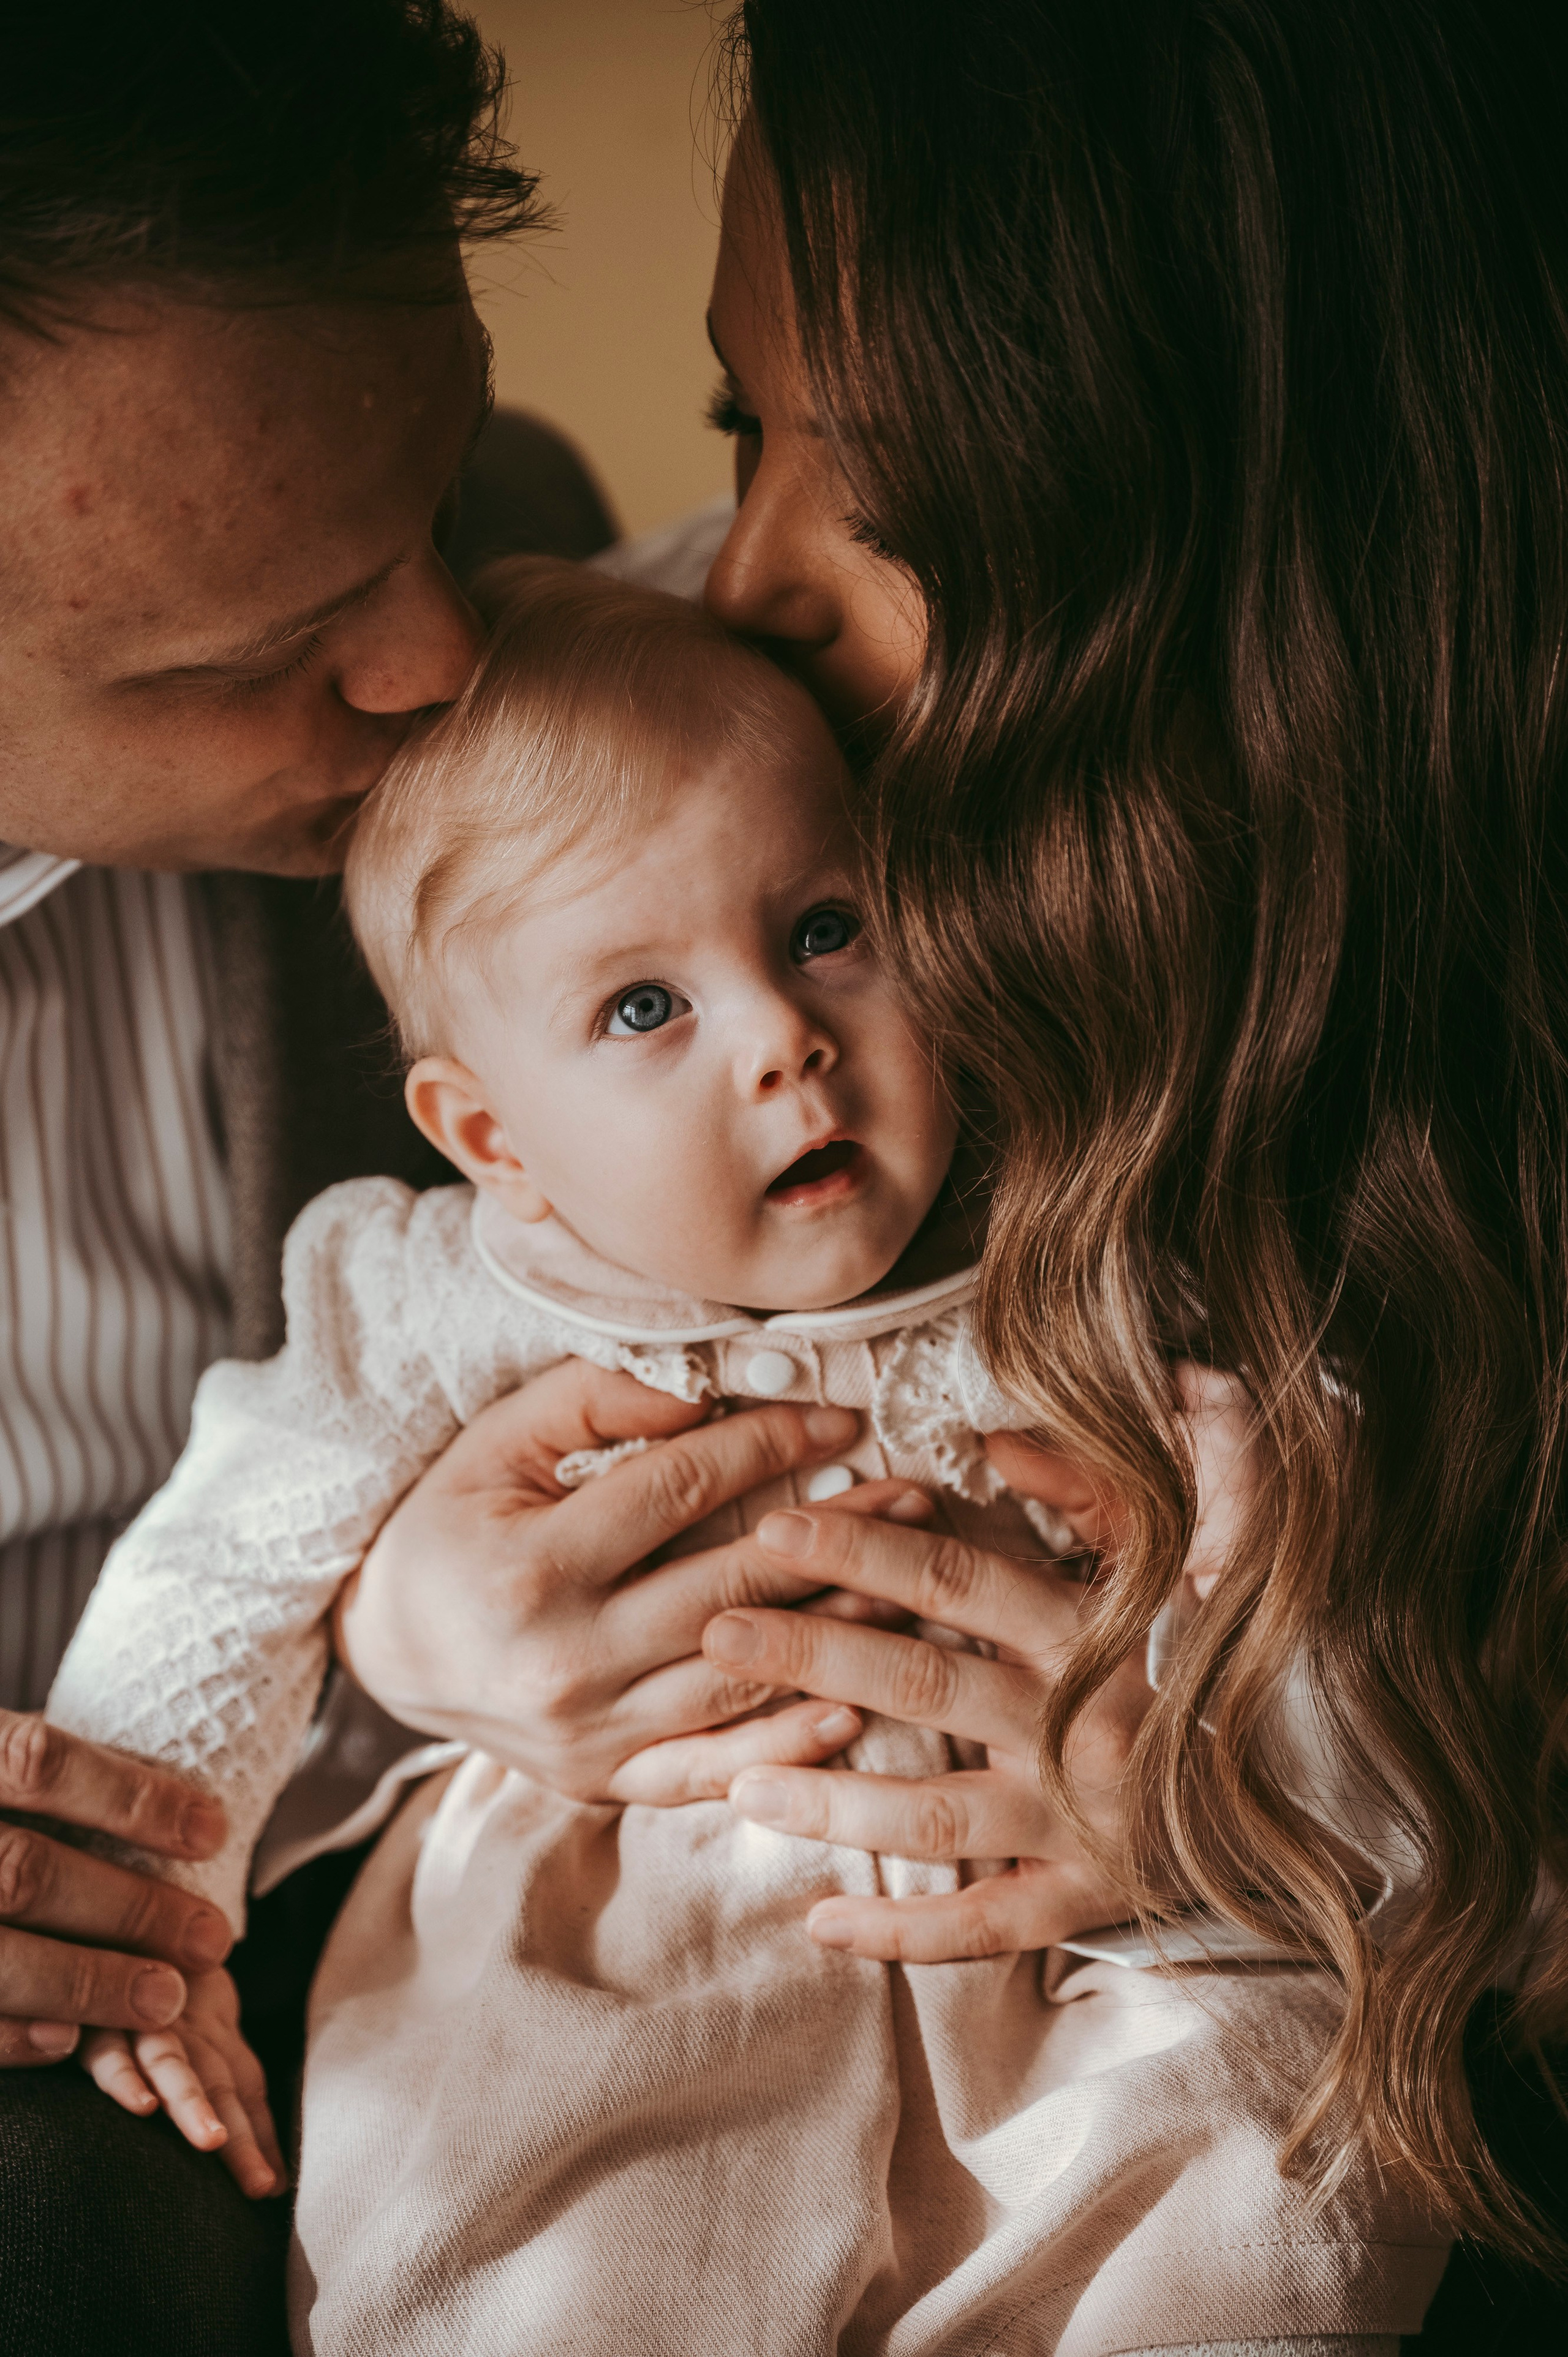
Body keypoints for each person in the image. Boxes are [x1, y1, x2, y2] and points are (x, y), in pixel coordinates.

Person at [50, 560, 1440, 2354]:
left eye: (823, 929)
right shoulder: (447, 1295)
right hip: (632, 1941)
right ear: (494, 1135)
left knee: (1261, 2187)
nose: (786, 1041)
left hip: (1089, 1917)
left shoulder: (1082, 1227)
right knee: (547, 2262)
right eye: (645, 1010)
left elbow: (1320, 1529)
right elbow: (231, 1551)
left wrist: (1241, 1667)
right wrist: (145, 1920)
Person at [0, 9, 1035, 2350]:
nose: (448, 657)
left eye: (437, 506)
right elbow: (246, 1540)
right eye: (275, 638)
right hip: (309, 1960)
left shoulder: (590, 652)